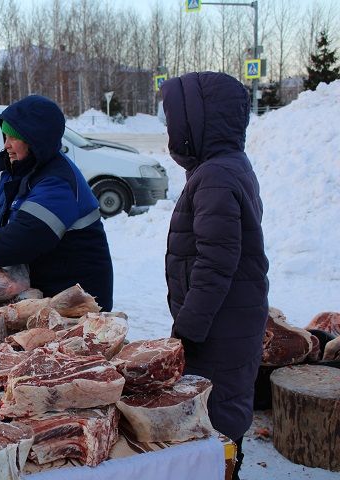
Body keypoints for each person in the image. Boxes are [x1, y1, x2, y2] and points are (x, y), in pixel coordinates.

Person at [160, 72, 269, 480]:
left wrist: (187, 330)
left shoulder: (216, 176)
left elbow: (216, 261)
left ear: (198, 121)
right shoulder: (224, 167)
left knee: (218, 414)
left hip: (218, 326)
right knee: (225, 404)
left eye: (174, 119)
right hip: (229, 320)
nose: (171, 130)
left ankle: (226, 470)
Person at [0, 95, 114, 310]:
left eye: (13, 138)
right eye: (4, 136)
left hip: (76, 298)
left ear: (35, 141)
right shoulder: (17, 169)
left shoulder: (57, 182)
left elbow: (24, 239)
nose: (6, 144)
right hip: (44, 292)